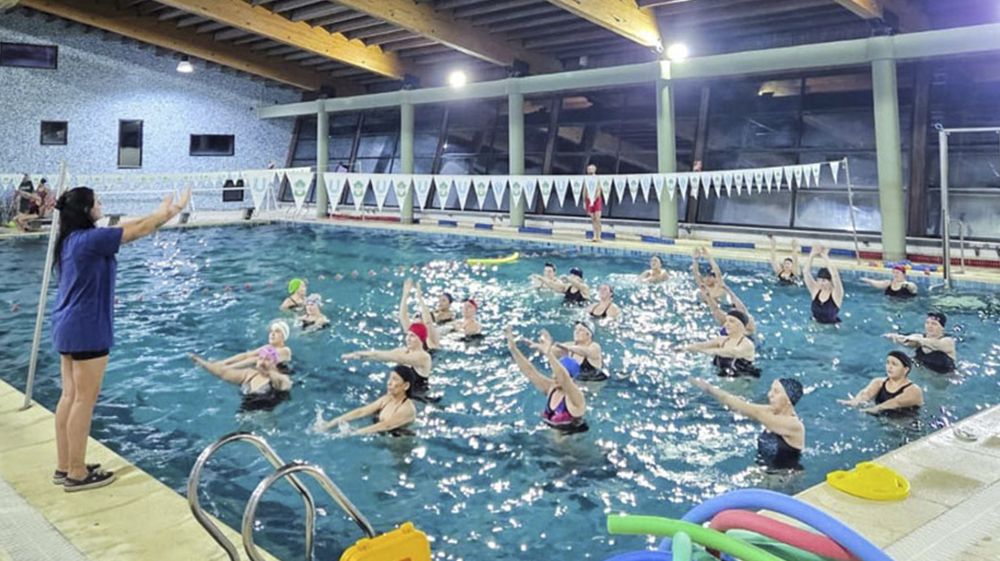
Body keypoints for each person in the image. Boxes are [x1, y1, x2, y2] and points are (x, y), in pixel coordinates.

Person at [51, 186, 190, 491]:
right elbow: (137, 230)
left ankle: (65, 465)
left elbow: (129, 227)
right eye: (97, 202)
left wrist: (161, 214)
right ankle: (77, 473)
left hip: (67, 325)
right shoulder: (91, 240)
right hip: (87, 328)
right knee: (83, 400)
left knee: (70, 396)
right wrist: (166, 213)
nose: (102, 204)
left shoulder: (71, 240)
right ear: (87, 210)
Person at [690, 377, 804, 470]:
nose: (770, 395)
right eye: (771, 390)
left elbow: (753, 412)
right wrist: (710, 390)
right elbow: (739, 406)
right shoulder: (770, 412)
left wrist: (711, 389)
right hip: (765, 472)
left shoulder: (794, 425)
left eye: (776, 392)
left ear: (788, 400)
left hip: (785, 479)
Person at [506, 326, 587, 433]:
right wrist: (513, 349)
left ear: (571, 377)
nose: (554, 376)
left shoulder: (576, 398)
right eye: (553, 372)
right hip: (548, 440)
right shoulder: (551, 388)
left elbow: (563, 378)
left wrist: (549, 353)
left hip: (570, 447)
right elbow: (530, 372)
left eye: (556, 374)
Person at [314, 366, 418, 436]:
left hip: (400, 444)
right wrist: (330, 424)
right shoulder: (387, 399)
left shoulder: (407, 409)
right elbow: (362, 411)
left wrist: (354, 433)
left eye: (395, 379)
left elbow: (386, 425)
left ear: (406, 386)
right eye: (389, 378)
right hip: (382, 435)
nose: (389, 383)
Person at [342, 322, 433, 399]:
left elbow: (389, 357)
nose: (407, 339)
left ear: (421, 339)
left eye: (412, 336)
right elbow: (381, 356)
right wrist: (358, 356)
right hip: (402, 392)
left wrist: (360, 354)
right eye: (407, 335)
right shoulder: (403, 351)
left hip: (418, 397)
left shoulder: (423, 357)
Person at [190, 346, 292, 411]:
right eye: (261, 358)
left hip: (268, 417)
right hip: (245, 414)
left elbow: (286, 383)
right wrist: (202, 363)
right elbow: (222, 373)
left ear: (274, 363)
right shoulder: (249, 374)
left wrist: (269, 371)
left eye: (267, 359)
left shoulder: (279, 379)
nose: (263, 362)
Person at [679, 310, 760, 377]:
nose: (726, 324)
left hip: (743, 379)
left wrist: (708, 351)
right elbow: (702, 345)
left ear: (741, 326)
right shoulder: (722, 340)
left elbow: (732, 352)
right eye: (726, 321)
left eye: (731, 321)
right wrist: (684, 348)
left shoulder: (747, 344)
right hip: (723, 376)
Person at [839, 351, 923, 415]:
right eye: (887, 363)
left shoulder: (914, 390)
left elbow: (896, 402)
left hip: (907, 427)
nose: (889, 367)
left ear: (906, 369)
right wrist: (856, 401)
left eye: (894, 364)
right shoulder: (879, 382)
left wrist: (877, 408)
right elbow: (866, 393)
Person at [202, 321, 293, 373]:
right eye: (271, 331)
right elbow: (247, 355)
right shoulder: (268, 347)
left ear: (283, 337)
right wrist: (222, 363)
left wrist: (226, 369)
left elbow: (257, 359)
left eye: (277, 331)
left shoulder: (285, 350)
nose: (272, 334)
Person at [884, 311, 957, 373]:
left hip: (946, 379)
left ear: (942, 328)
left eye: (934, 324)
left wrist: (916, 339)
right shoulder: (919, 337)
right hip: (924, 375)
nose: (929, 326)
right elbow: (906, 341)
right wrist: (895, 337)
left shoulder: (948, 341)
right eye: (927, 323)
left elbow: (936, 344)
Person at [803, 245, 844, 324]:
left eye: (824, 280)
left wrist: (824, 256)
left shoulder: (837, 294)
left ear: (831, 281)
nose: (821, 283)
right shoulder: (815, 290)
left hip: (831, 332)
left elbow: (835, 275)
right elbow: (806, 272)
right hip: (814, 328)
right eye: (819, 280)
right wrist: (812, 254)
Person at [398, 279, 442, 350]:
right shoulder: (412, 334)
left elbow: (428, 322)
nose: (418, 317)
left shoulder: (432, 337)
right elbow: (403, 316)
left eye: (421, 316)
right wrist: (405, 294)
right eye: (417, 316)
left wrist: (420, 298)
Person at [583, 164, 603, 243]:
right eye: (588, 169)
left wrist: (594, 198)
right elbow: (584, 191)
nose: (589, 171)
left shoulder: (597, 178)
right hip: (588, 199)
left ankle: (599, 236)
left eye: (591, 169)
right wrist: (584, 202)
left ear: (594, 170)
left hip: (596, 200)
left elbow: (599, 190)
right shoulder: (586, 179)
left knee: (597, 219)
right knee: (593, 219)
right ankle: (595, 235)